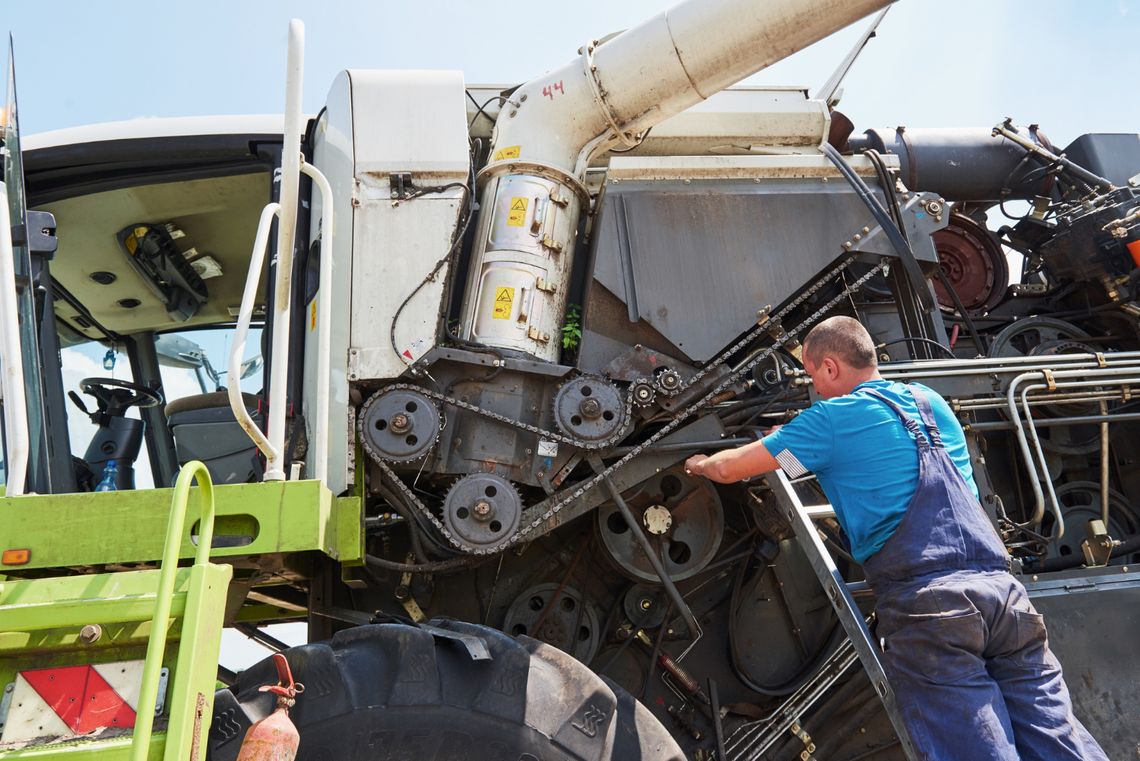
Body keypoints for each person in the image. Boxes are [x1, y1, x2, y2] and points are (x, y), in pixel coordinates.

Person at [684, 316, 1107, 761]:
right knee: (1057, 736)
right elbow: (835, 459)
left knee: (976, 748)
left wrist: (698, 463)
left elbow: (731, 468)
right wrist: (790, 448)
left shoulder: (831, 418)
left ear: (829, 367)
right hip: (1004, 597)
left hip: (932, 608)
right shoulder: (930, 402)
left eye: (812, 376)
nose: (815, 388)